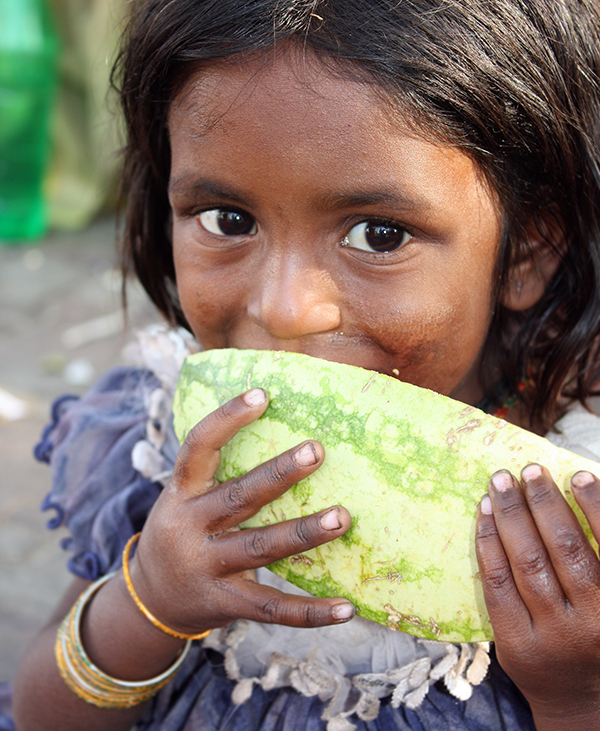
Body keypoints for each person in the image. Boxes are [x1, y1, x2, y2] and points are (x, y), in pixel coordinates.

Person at [10, 0, 600, 729]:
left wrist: (577, 693)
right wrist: (149, 600)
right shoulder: (169, 448)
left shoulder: (575, 516)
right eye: (229, 219)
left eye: (379, 235)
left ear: (527, 252)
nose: (286, 308)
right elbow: (40, 714)